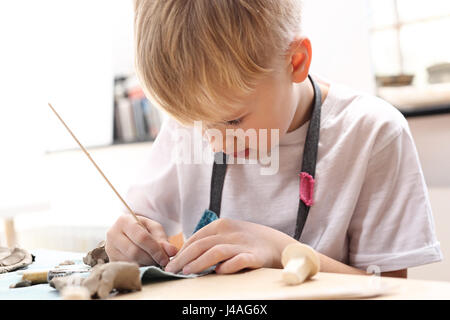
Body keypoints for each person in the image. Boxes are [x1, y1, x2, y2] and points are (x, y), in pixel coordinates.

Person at [105, 0, 442, 278]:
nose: (214, 143)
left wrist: (280, 251)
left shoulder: (373, 134)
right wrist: (128, 240)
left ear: (295, 61)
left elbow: (392, 291)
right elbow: (140, 226)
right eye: (197, 124)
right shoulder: (189, 124)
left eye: (233, 120)